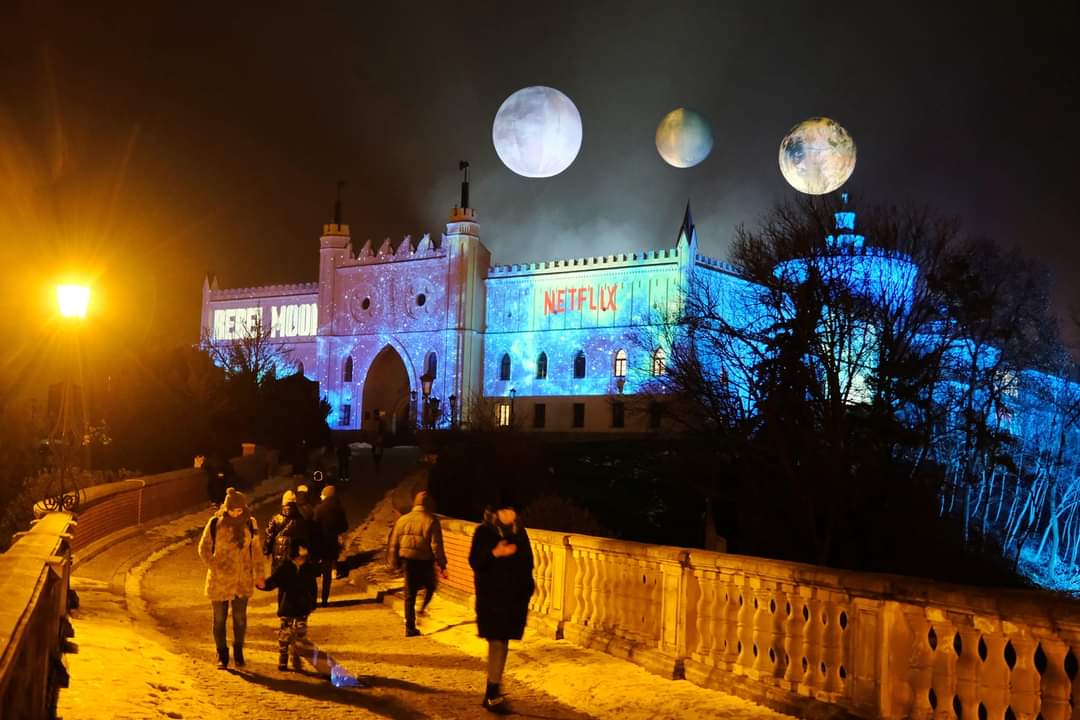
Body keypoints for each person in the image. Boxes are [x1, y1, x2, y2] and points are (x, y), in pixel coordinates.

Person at [468, 499, 535, 714]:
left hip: (513, 600)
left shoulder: (519, 533)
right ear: (496, 513)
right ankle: (492, 692)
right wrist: (495, 553)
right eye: (505, 510)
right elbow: (475, 562)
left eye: (512, 510)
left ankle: (493, 689)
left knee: (502, 642)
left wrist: (527, 589)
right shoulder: (483, 532)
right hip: (491, 598)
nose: (510, 514)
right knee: (497, 642)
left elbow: (529, 563)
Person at [197, 487, 264, 669]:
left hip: (242, 580)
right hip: (219, 581)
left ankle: (239, 651)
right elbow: (203, 548)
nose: (236, 513)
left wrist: (259, 574)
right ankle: (222, 654)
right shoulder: (215, 523)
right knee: (219, 619)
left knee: (240, 619)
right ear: (226, 508)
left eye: (240, 510)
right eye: (233, 510)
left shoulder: (250, 523)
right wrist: (216, 566)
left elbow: (256, 550)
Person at [387, 490, 447, 636]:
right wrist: (442, 563)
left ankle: (410, 626)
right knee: (431, 587)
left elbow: (394, 543)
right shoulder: (431, 520)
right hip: (425, 561)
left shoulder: (403, 520)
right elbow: (436, 545)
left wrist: (393, 561)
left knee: (410, 594)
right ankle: (422, 609)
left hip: (408, 561)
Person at [256, 539, 321, 672]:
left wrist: (312, 603)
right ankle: (283, 656)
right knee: (285, 634)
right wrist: (263, 585)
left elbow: (313, 587)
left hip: (303, 606)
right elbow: (274, 581)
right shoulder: (286, 568)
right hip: (288, 606)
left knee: (301, 633)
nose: (305, 550)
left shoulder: (308, 568)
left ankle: (296, 655)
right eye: (302, 548)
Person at [313, 484, 349, 605]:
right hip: (332, 544)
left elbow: (314, 526)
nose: (320, 496)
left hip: (320, 544)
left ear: (325, 495)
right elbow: (345, 526)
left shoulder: (319, 508)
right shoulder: (339, 509)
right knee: (327, 575)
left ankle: (313, 599)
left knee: (314, 572)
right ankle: (324, 599)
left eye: (322, 494)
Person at [264, 490, 311, 573]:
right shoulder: (301, 519)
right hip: (295, 556)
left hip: (279, 555)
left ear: (283, 502)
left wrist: (266, 551)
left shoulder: (276, 518)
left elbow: (269, 536)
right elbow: (305, 538)